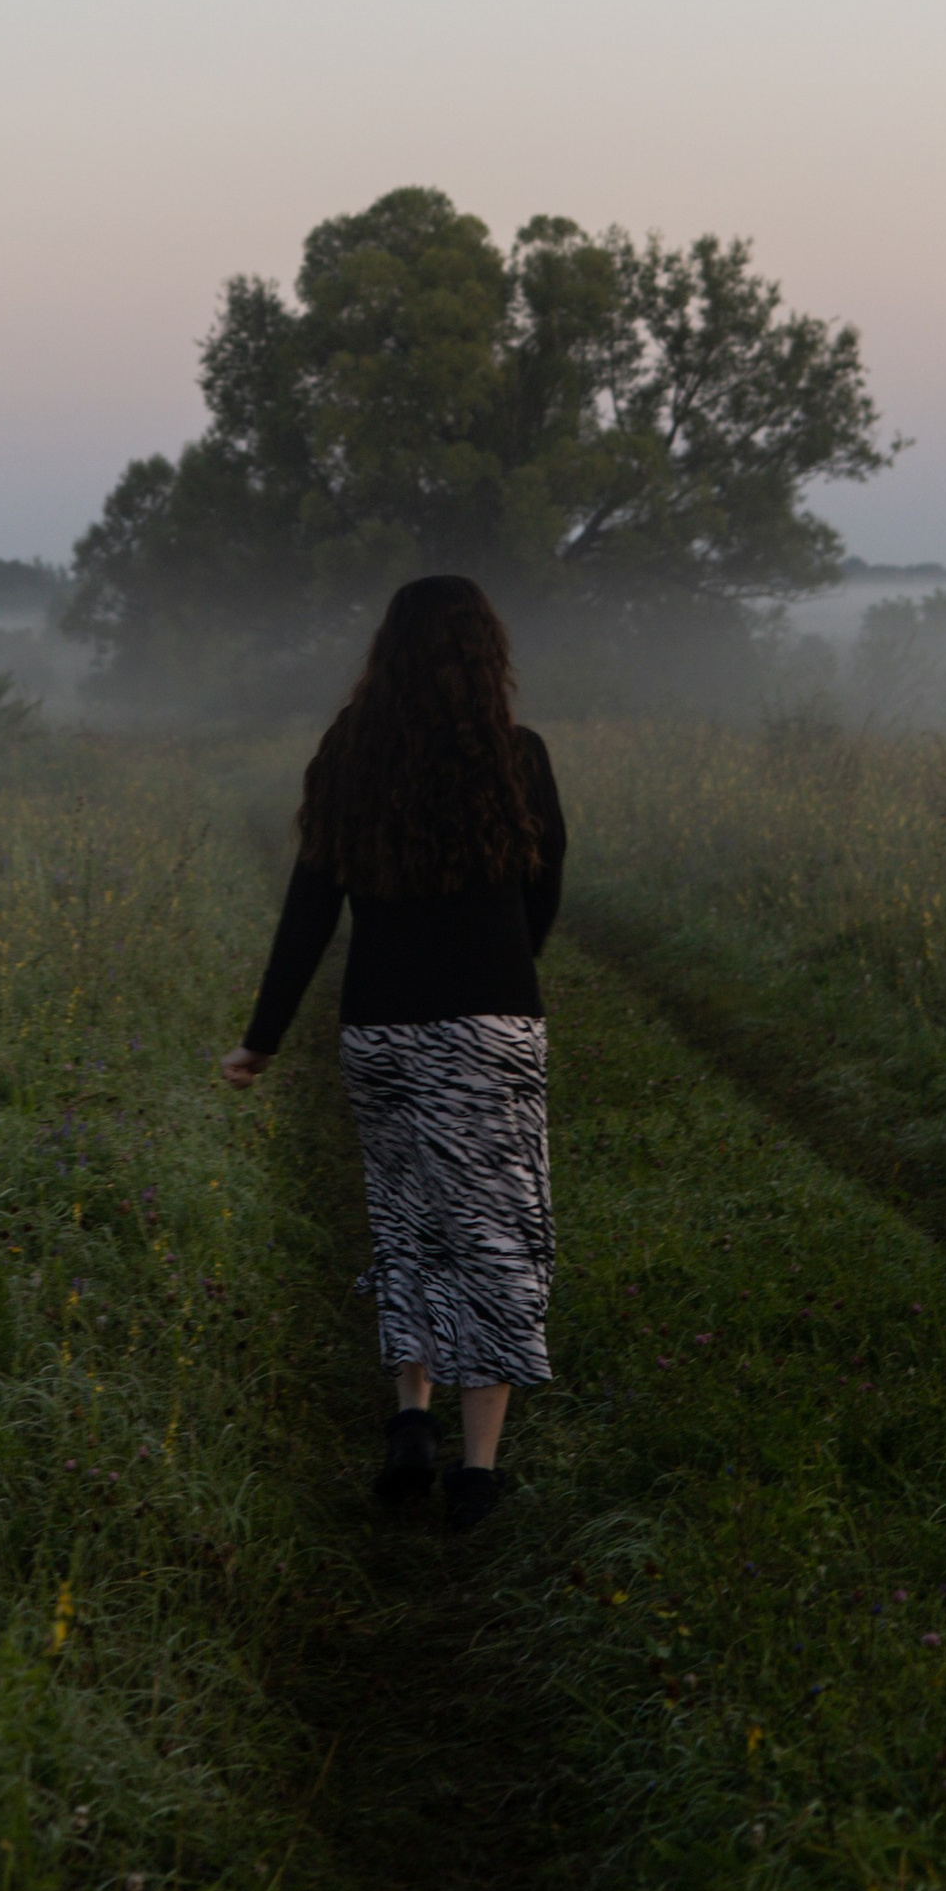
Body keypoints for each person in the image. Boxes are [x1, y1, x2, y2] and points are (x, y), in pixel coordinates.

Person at [221, 574, 565, 1534]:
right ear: (484, 654)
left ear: (389, 654)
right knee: (492, 1237)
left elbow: (309, 910)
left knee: (409, 1219)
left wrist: (262, 1038)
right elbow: (544, 893)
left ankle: (410, 1420)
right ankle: (476, 1471)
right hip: (490, 1026)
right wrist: (502, 976)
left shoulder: (348, 757)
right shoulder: (518, 758)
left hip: (378, 1029)